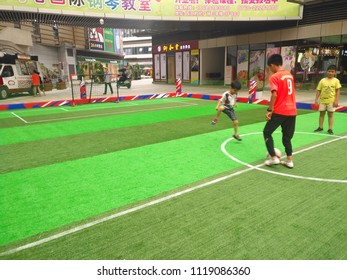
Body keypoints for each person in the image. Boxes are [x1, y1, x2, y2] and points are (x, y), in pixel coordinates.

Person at [263, 54, 297, 168]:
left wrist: (269, 110)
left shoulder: (275, 77)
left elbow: (274, 94)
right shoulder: (289, 75)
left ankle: (273, 158)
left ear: (272, 65)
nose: (270, 69)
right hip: (292, 110)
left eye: (269, 67)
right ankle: (289, 160)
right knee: (287, 137)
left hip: (280, 110)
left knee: (267, 132)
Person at [313, 65, 341, 135]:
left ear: (335, 73)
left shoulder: (336, 81)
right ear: (326, 72)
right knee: (321, 114)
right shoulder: (322, 80)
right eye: (329, 71)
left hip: (331, 101)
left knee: (330, 115)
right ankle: (320, 127)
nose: (330, 73)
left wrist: (336, 100)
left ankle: (330, 129)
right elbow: (319, 90)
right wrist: (316, 100)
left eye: (332, 71)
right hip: (322, 100)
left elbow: (338, 91)